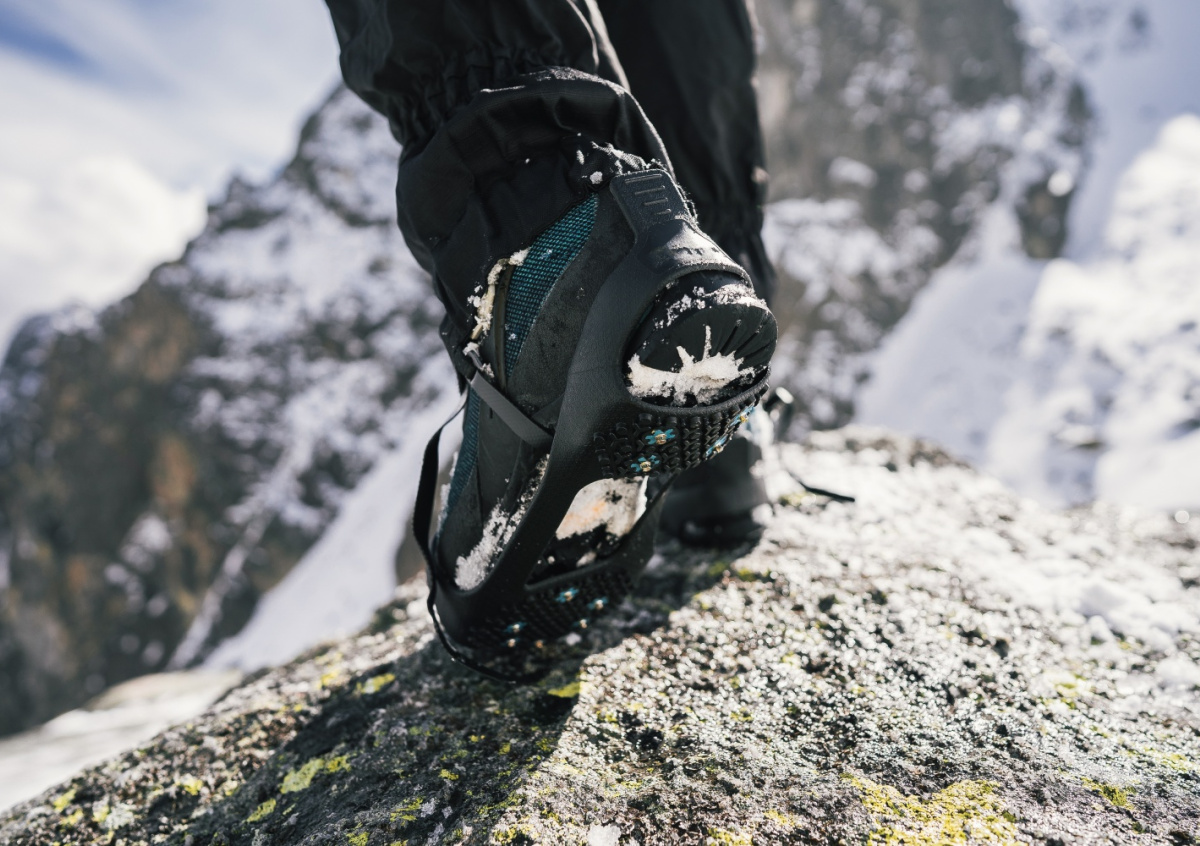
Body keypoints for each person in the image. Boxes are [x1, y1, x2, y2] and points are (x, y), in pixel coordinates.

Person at [323, 0, 780, 675]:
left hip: (542, 207)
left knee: (540, 173)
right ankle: (686, 284)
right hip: (710, 247)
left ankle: (550, 237)